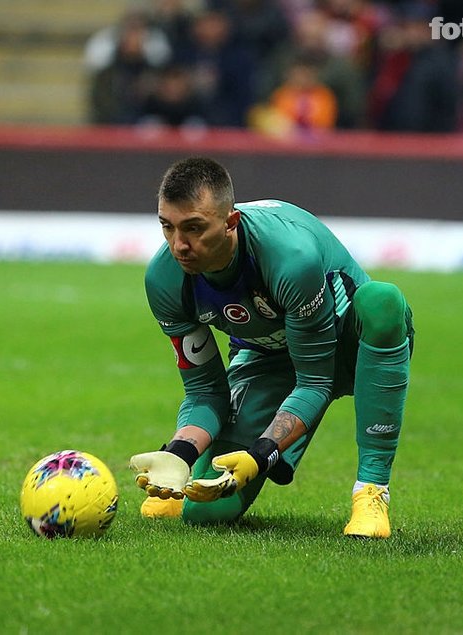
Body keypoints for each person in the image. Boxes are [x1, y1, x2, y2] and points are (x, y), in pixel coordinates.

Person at [130, 157, 414, 538]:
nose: (180, 245)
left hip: (346, 341)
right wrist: (179, 454)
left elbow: (315, 381)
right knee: (205, 512)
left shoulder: (289, 258)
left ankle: (371, 492)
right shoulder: (164, 280)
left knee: (382, 302)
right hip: (268, 357)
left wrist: (262, 453)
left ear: (231, 223)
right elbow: (204, 391)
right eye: (168, 227)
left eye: (194, 228)